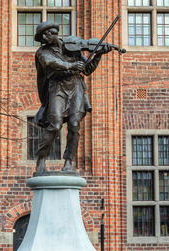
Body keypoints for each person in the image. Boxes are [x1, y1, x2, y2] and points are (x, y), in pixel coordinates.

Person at [33, 22, 111, 173]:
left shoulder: (72, 47)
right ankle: (41, 158)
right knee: (55, 125)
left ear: (54, 32)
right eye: (41, 36)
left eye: (45, 34)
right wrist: (70, 66)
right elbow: (50, 62)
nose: (43, 38)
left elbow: (87, 69)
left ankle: (69, 161)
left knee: (74, 125)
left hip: (76, 88)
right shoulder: (42, 52)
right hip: (57, 88)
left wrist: (98, 55)